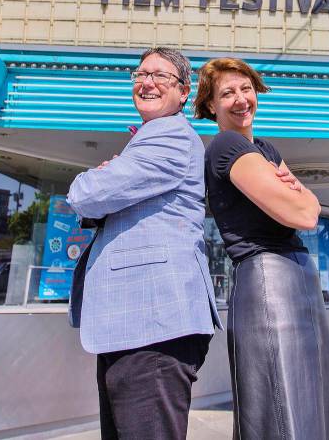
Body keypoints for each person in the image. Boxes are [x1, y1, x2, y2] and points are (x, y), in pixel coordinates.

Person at [193, 57, 329, 440]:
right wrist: (296, 195)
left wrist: (300, 197)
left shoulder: (264, 146)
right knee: (283, 405)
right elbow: (302, 213)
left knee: (314, 400)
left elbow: (312, 206)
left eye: (246, 88)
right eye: (227, 93)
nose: (240, 99)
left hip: (295, 275)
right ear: (211, 105)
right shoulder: (226, 144)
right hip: (269, 279)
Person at [67, 47, 221, 440]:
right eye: (140, 74)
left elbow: (88, 195)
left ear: (184, 92)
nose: (147, 82)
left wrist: (94, 178)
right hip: (137, 325)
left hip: (154, 325)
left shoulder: (168, 134)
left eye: (160, 76)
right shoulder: (150, 139)